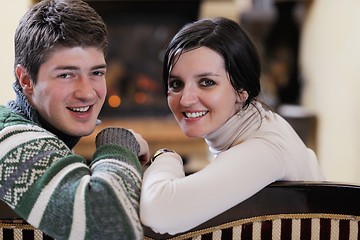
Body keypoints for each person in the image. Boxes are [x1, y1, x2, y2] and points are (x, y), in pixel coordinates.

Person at [140, 17, 325, 235]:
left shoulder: (264, 149)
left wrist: (166, 156)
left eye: (207, 82)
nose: (185, 99)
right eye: (176, 84)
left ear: (242, 90)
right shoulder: (262, 125)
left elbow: (160, 213)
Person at [0, 0, 149, 239]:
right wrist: (118, 141)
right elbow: (111, 228)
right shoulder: (8, 138)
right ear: (26, 80)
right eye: (66, 75)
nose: (88, 92)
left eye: (97, 73)